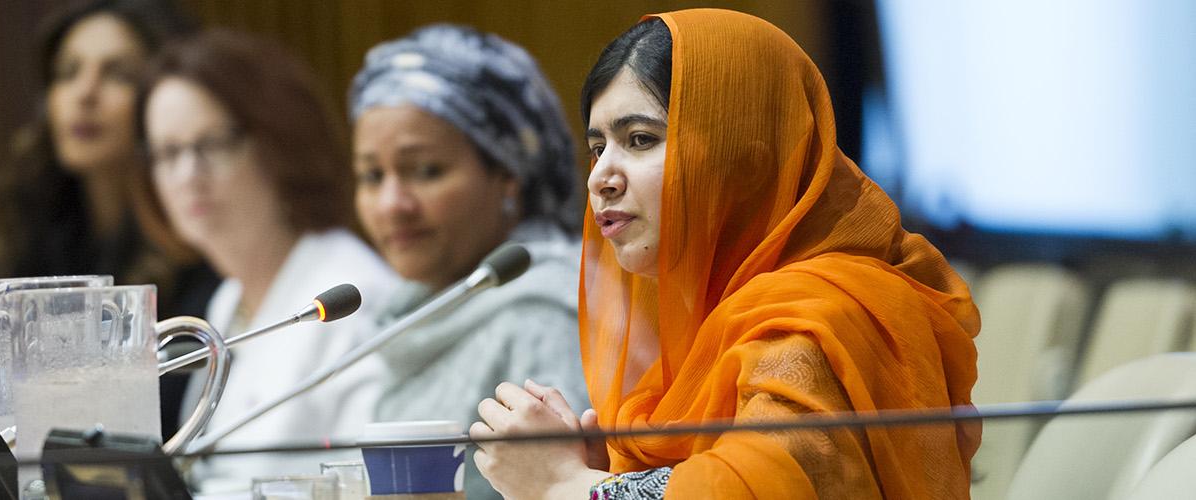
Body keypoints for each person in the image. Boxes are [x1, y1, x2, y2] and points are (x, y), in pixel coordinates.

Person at [471, 9, 980, 499]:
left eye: (640, 139)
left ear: (746, 166)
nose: (600, 177)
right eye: (599, 147)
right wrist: (598, 477)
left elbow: (755, 490)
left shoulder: (814, 321)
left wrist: (566, 488)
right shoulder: (708, 330)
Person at [0, 0, 217, 436]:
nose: (85, 93)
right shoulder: (50, 229)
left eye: (118, 74)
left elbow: (158, 406)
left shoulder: (197, 241)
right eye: (67, 73)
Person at [140, 29, 397, 490]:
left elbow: (367, 483)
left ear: (278, 140)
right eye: (168, 152)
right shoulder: (229, 298)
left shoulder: (347, 293)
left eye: (211, 144)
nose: (187, 175)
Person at [348, 24, 589, 500]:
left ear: (507, 177)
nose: (391, 203)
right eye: (372, 176)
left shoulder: (543, 315)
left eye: (425, 171)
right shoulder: (417, 308)